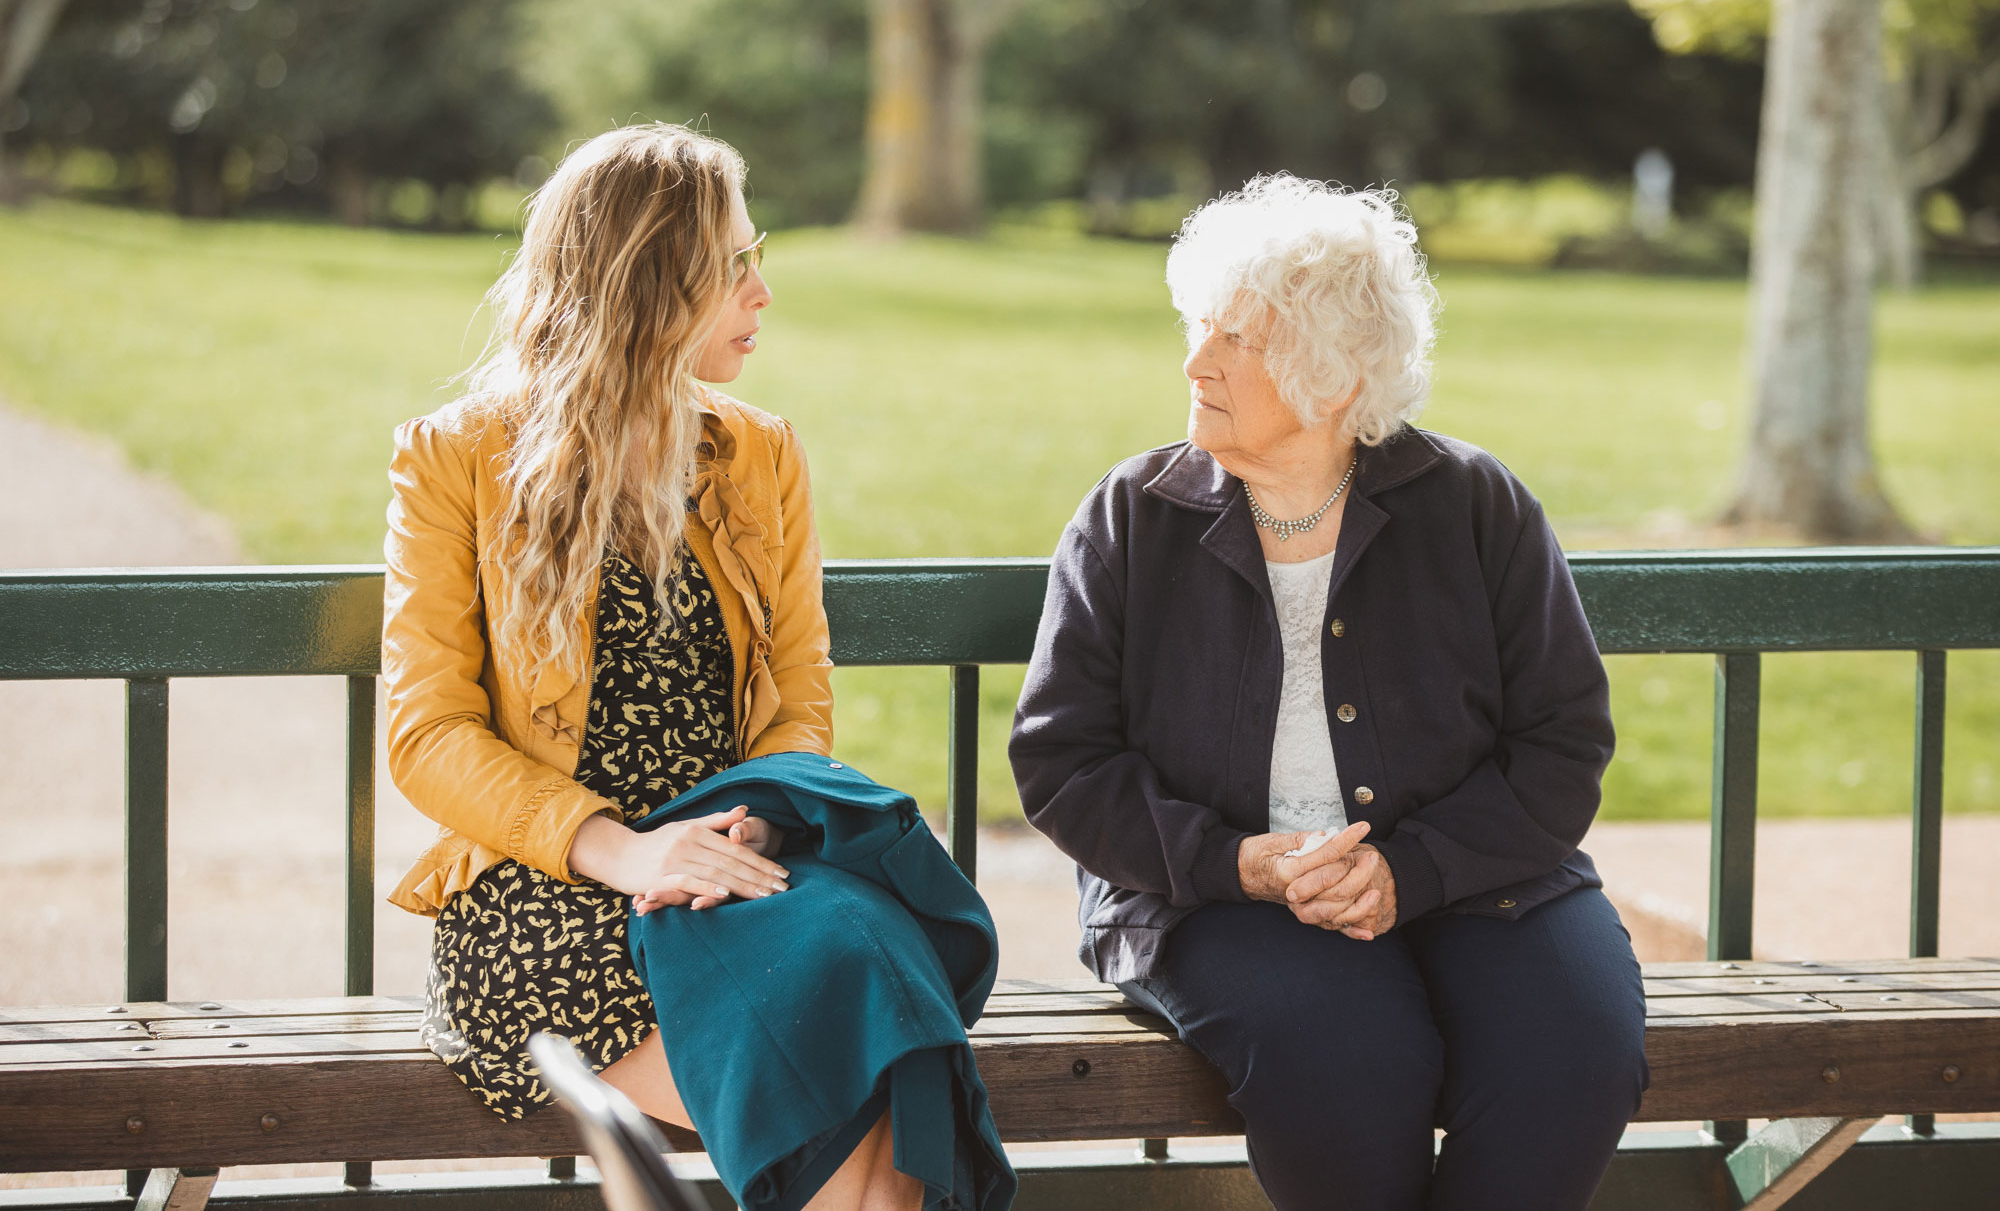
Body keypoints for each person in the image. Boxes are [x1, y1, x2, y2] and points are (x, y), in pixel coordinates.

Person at [1009, 174, 1649, 1211]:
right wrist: (1238, 861)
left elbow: (1559, 743)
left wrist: (1409, 868)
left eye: (1234, 340)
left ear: (1336, 376)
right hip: (1207, 894)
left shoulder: (1474, 505)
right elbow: (1062, 760)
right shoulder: (1130, 515)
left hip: (1480, 876)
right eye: (1195, 327)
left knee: (1571, 1052)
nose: (1193, 360)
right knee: (1350, 1058)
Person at [380, 124, 923, 1210]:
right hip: (551, 894)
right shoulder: (457, 457)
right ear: (646, 283)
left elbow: (796, 696)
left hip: (733, 871)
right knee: (851, 1108)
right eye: (733, 265)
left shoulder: (759, 450)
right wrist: (623, 852)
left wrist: (757, 821)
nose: (761, 291)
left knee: (872, 980)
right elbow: (427, 732)